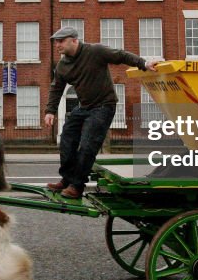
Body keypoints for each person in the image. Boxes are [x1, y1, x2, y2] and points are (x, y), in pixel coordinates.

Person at [44, 26, 159, 198]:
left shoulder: (95, 51)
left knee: (88, 144)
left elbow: (121, 55)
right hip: (84, 107)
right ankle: (67, 179)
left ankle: (77, 186)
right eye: (56, 42)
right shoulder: (62, 65)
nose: (57, 45)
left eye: (61, 41)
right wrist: (50, 111)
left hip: (104, 106)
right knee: (67, 138)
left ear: (74, 40)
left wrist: (143, 63)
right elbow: (56, 88)